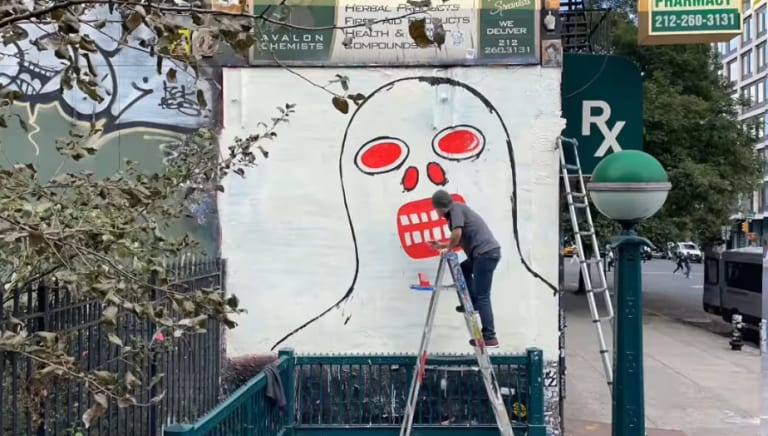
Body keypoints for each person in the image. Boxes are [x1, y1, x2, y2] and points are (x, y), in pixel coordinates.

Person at [427, 190, 502, 348]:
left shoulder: (456, 210)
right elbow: (460, 238)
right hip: (483, 254)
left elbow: (457, 233)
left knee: (483, 296)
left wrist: (448, 250)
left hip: (485, 254)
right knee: (463, 270)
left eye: (436, 209)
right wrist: (442, 245)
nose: (436, 212)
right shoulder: (457, 211)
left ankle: (489, 336)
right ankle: (472, 302)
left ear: (440, 207)